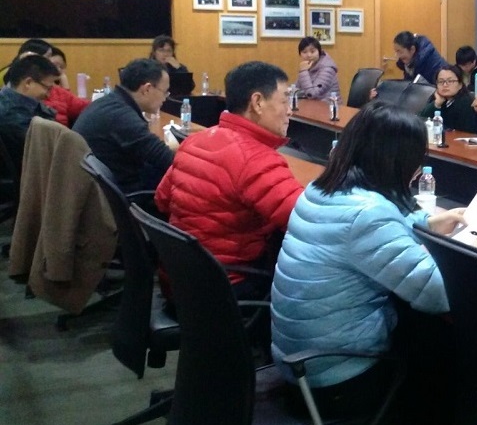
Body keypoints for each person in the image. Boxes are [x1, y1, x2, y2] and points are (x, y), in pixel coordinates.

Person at [271, 103, 477, 425]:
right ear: (397, 161)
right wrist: (476, 248)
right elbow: (437, 295)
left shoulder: (322, 189)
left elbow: (384, 230)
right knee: (450, 360)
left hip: (299, 359)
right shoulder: (367, 214)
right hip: (338, 376)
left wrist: (431, 222)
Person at [155, 62, 304, 300]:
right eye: (285, 100)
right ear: (257, 102)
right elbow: (307, 222)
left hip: (178, 282)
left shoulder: (195, 140)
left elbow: (161, 200)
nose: (290, 111)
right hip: (225, 288)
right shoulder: (256, 158)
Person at [74, 58, 178, 193]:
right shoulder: (121, 116)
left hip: (101, 186)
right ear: (147, 89)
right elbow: (166, 159)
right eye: (165, 92)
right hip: (121, 195)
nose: (165, 98)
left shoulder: (110, 103)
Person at [0, 54, 59, 168]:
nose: (49, 95)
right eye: (48, 88)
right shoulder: (13, 116)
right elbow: (45, 154)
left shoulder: (16, 103)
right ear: (28, 83)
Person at [419, 65, 476, 133]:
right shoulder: (436, 98)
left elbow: (463, 131)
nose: (445, 85)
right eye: (441, 81)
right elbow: (420, 122)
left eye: (450, 81)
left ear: (460, 85)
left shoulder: (466, 102)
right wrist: (436, 104)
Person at [45, 46, 90, 127]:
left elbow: (85, 107)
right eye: (54, 66)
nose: (58, 70)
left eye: (61, 67)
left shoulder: (59, 92)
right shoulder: (39, 92)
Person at [296, 36, 340, 101]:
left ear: (319, 52)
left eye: (312, 51)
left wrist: (303, 71)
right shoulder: (308, 66)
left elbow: (312, 94)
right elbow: (298, 90)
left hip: (329, 106)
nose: (309, 55)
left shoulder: (327, 69)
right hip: (312, 105)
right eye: (304, 52)